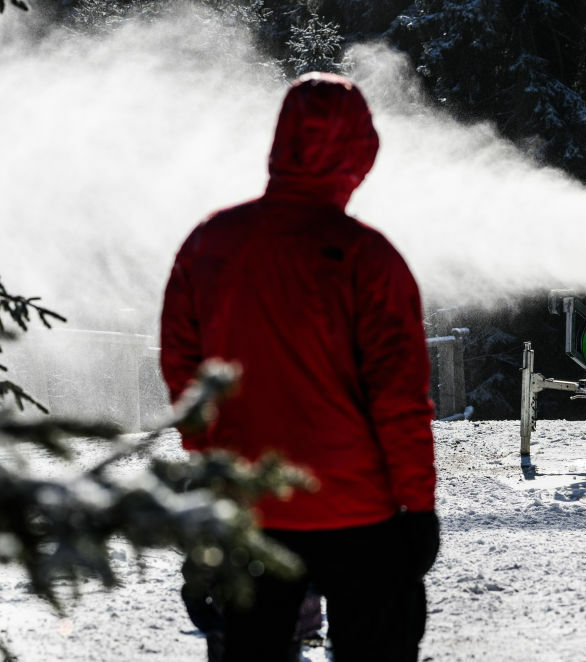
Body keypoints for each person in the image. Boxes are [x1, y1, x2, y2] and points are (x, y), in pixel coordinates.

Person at [159, 72, 439, 662]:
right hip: (361, 516)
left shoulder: (210, 244)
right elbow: (400, 399)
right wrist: (417, 507)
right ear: (360, 151)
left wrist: (215, 465)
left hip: (251, 509)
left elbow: (184, 373)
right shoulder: (369, 258)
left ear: (280, 141)